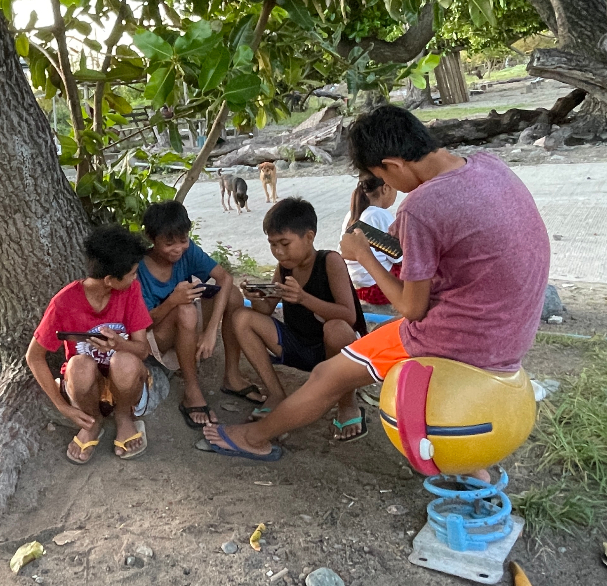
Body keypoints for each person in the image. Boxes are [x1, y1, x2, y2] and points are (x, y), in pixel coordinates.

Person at [201, 104, 550, 465]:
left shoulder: (421, 206)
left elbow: (412, 309)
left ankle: (255, 438)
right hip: (513, 330)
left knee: (327, 376)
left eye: (378, 177)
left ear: (394, 166)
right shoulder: (487, 164)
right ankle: (469, 468)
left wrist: (364, 256)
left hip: (464, 336)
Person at [228, 197, 368, 443]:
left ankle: (347, 403)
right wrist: (256, 295)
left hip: (337, 353)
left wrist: (303, 298)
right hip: (299, 346)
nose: (279, 252)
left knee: (336, 328)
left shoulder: (330, 261)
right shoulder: (284, 268)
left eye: (285, 243)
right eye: (272, 245)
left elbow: (349, 315)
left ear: (309, 237)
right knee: (241, 318)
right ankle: (275, 394)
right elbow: (265, 311)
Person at [26, 224, 153, 464]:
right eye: (133, 273)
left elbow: (143, 350)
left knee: (124, 361)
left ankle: (124, 418)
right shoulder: (64, 302)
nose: (136, 278)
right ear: (109, 280)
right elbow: (34, 357)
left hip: (125, 378)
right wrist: (62, 407)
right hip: (86, 383)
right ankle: (92, 421)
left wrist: (119, 344)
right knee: (78, 366)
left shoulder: (130, 291)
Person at [136, 201, 241, 429]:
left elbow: (225, 278)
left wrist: (211, 331)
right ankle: (192, 391)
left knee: (232, 294)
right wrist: (172, 300)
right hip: (155, 337)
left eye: (183, 240)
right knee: (184, 309)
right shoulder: (138, 270)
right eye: (169, 243)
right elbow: (141, 325)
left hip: (187, 322)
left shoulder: (187, 251)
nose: (178, 249)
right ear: (151, 238)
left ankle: (232, 375)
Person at [341, 174, 402, 305]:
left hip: (360, 288)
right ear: (385, 188)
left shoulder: (351, 214)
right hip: (379, 288)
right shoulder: (379, 214)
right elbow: (398, 257)